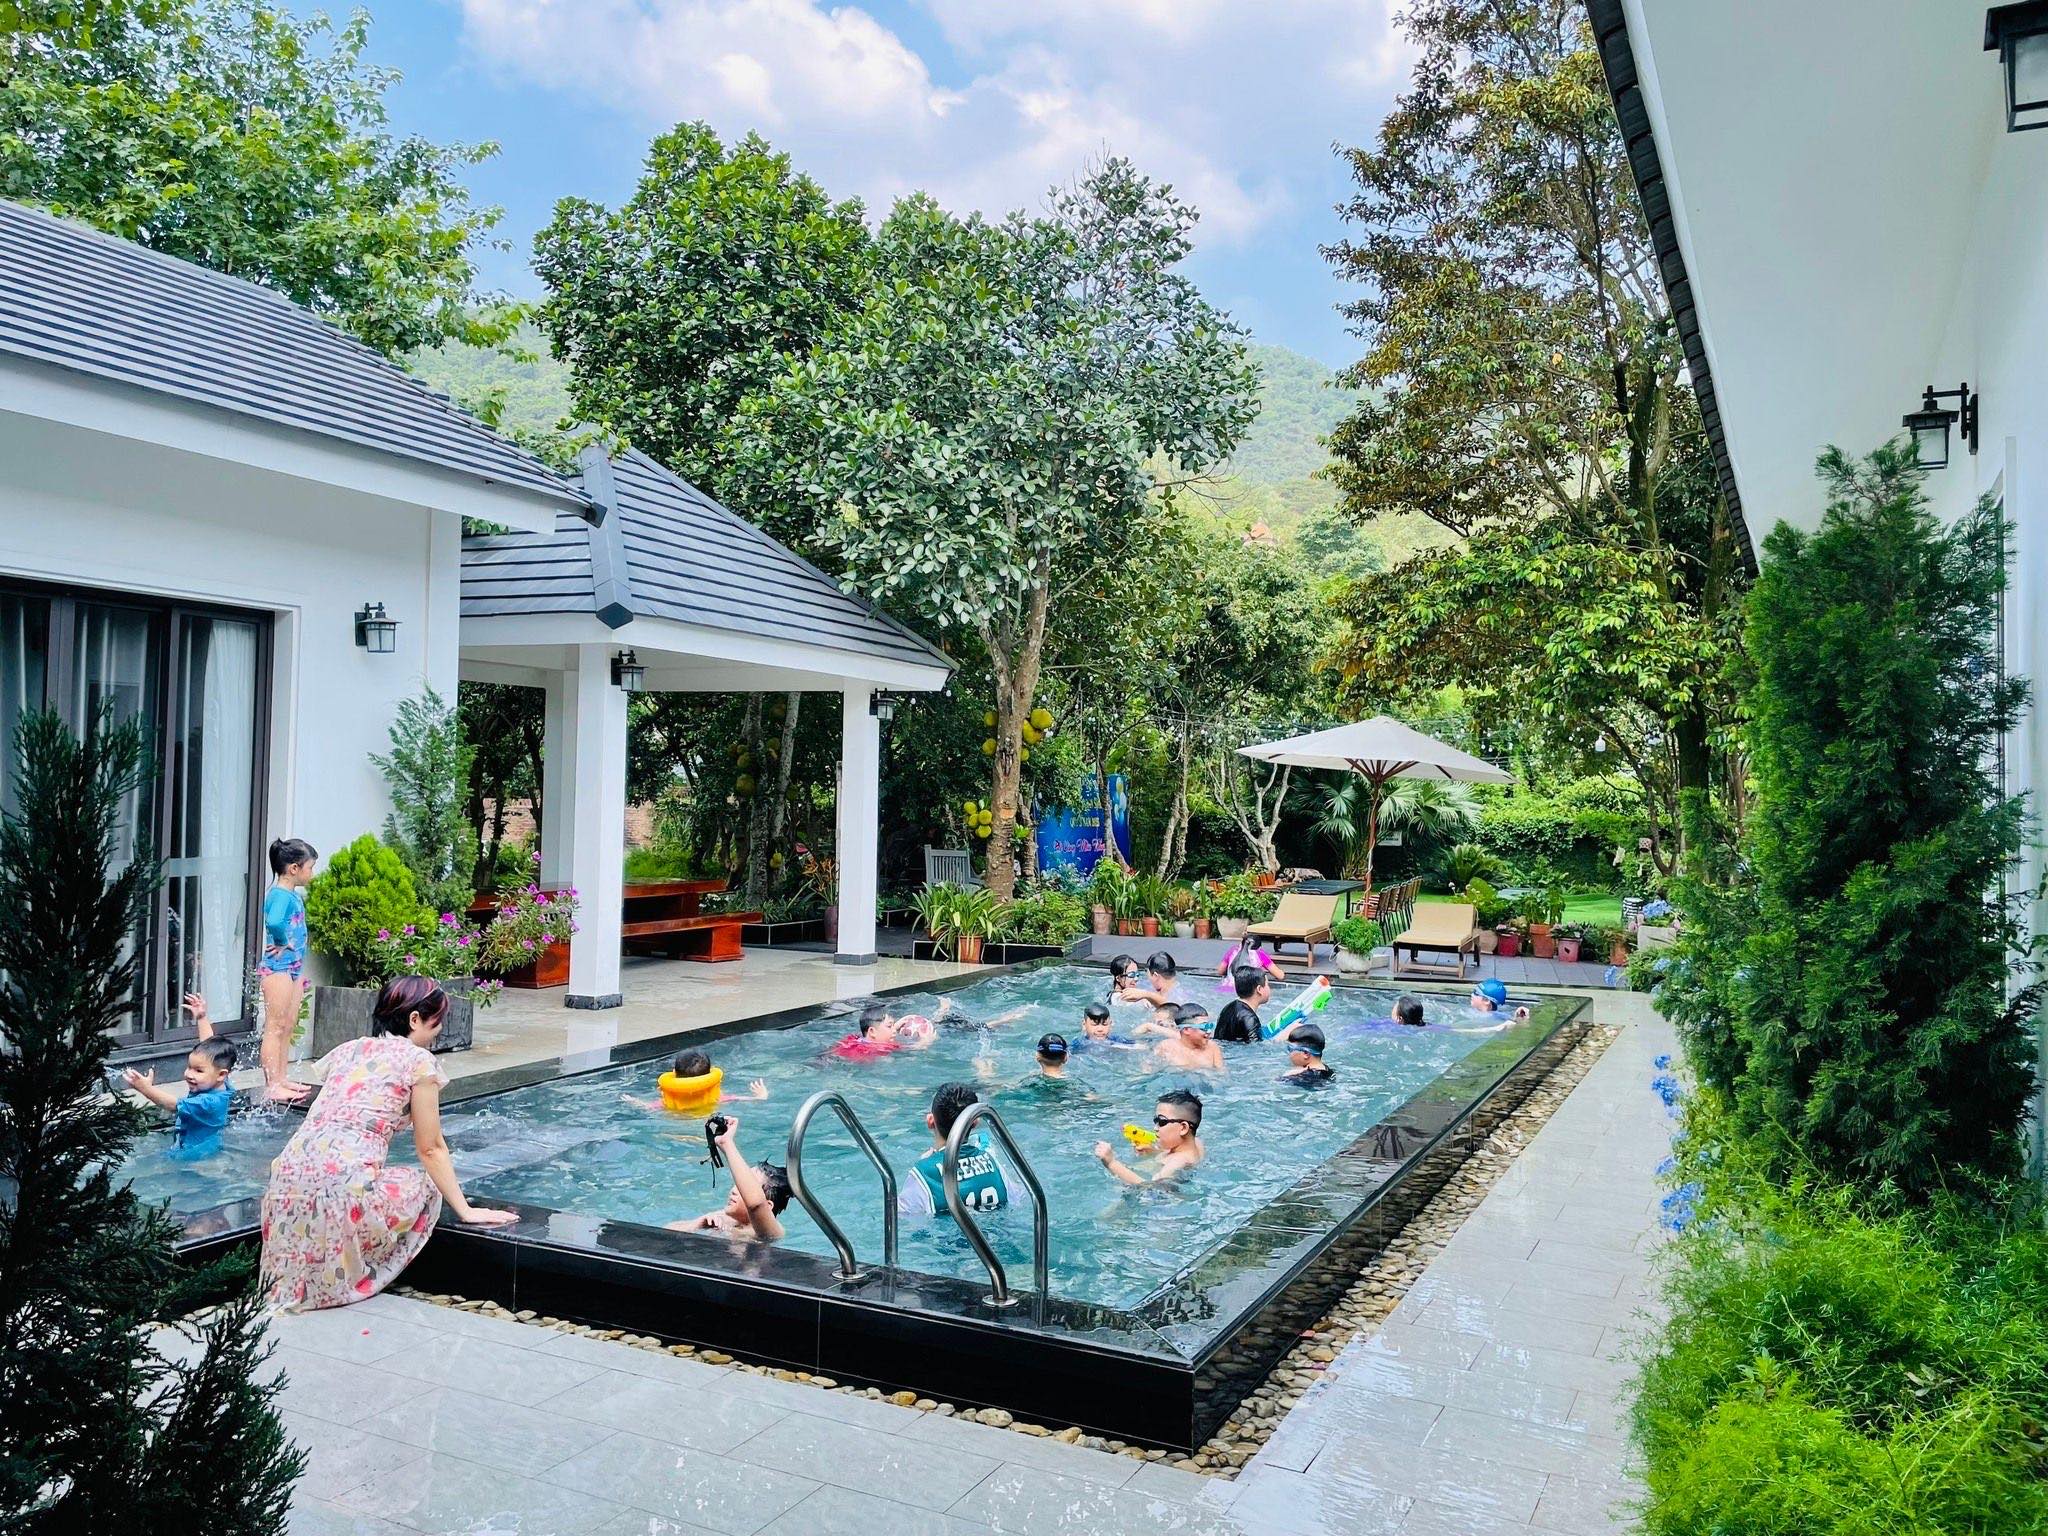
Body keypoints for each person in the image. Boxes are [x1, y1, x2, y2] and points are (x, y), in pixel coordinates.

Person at [260, 977, 515, 1310]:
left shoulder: (349, 1050)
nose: (438, 1032)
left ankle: (307, 1279)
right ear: (415, 1020)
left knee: (347, 1181)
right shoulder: (419, 1062)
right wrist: (465, 1210)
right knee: (426, 1187)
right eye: (436, 1023)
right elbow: (431, 1148)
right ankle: (352, 1275)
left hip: (282, 1186)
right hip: (341, 1192)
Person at [123, 992, 235, 1158]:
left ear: (221, 1075)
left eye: (198, 1070)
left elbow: (172, 1105)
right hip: (201, 1145)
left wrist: (145, 1089)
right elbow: (208, 1046)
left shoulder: (208, 1103)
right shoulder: (219, 1081)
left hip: (196, 1155)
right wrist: (201, 1018)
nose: (189, 1074)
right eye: (189, 1067)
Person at [258, 837, 317, 1103]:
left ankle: (281, 1078)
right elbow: (274, 922)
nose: (311, 873)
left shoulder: (290, 894)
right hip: (278, 968)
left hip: (292, 968)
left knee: (288, 1024)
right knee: (275, 1026)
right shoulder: (280, 894)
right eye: (310, 867)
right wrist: (282, 942)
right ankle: (272, 1084)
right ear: (294, 868)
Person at [667, 1115, 789, 1242]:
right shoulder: (726, 1218)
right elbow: (666, 1231)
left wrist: (726, 1143)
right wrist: (698, 1223)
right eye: (738, 1184)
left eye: (743, 1188)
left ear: (768, 1206)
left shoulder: (772, 1232)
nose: (734, 1190)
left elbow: (756, 1205)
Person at [899, 1082, 1009, 1218]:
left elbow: (902, 1217)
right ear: (975, 1122)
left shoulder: (923, 1174)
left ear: (930, 1121)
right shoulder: (992, 1163)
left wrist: (926, 1163)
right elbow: (1017, 1197)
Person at [1094, 1089, 1205, 1184]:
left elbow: (1150, 1187)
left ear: (1183, 1128)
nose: (1155, 1128)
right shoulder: (1196, 1143)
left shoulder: (1178, 1162)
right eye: (1155, 1121)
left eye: (1162, 1122)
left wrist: (1111, 1163)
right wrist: (1154, 1152)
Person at [622, 1047, 768, 1113]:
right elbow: (746, 1099)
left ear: (674, 1073)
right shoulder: (718, 1099)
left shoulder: (666, 1104)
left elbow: (647, 1107)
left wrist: (632, 1100)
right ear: (709, 1077)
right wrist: (761, 1095)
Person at [1214, 964, 1271, 1043]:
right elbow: (1256, 1048)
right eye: (1267, 985)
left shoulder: (1228, 1007)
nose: (1269, 988)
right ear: (1259, 989)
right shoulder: (1250, 1019)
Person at [1152, 1012, 1223, 1072]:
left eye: (1210, 1026)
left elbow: (1221, 1074)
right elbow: (1150, 1069)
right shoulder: (1167, 1047)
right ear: (1186, 1030)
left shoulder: (1212, 1047)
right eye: (1204, 1027)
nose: (1209, 1031)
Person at [1214, 932, 1286, 985]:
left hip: (1227, 986)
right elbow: (1280, 976)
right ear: (1259, 947)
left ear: (1242, 943)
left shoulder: (1233, 950)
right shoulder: (1260, 954)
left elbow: (1220, 971)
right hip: (1248, 991)